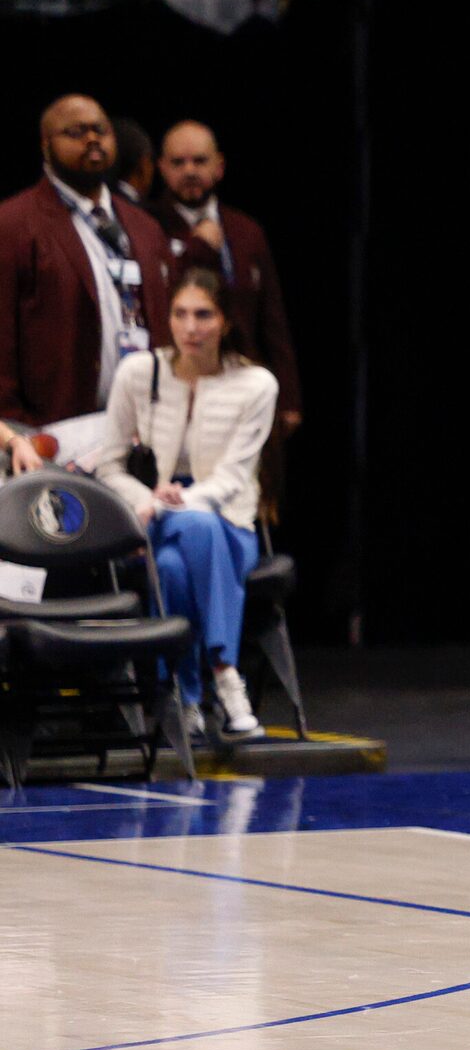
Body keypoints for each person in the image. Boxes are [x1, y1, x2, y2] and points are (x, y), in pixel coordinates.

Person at [80, 270, 277, 740]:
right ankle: (227, 678)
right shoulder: (138, 373)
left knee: (172, 564)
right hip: (152, 513)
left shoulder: (256, 385)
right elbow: (109, 466)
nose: (191, 327)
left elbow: (235, 474)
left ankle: (191, 695)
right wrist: (151, 499)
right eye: (181, 314)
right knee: (184, 537)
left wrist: (183, 500)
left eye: (204, 315)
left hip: (227, 519)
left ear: (225, 322)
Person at [0, 96, 173, 455]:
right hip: (51, 430)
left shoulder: (144, 227)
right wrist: (13, 427)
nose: (92, 139)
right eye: (76, 132)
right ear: (46, 146)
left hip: (143, 427)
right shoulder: (13, 223)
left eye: (100, 130)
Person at [155, 122, 300, 441]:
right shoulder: (148, 227)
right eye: (178, 163)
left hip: (246, 381)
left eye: (199, 161)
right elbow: (159, 299)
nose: (189, 170)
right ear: (162, 168)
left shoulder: (246, 230)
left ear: (219, 167)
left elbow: (272, 318)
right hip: (177, 390)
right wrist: (198, 249)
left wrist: (289, 398)